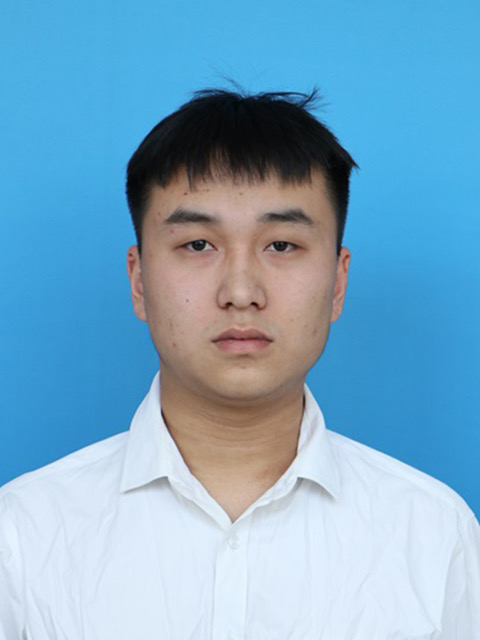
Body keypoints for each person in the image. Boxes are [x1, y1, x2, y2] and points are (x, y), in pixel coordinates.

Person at [1, 89, 479, 640]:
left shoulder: (434, 535)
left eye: (281, 246)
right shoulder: (23, 535)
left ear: (337, 281)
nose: (241, 291)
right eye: (198, 245)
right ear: (138, 281)